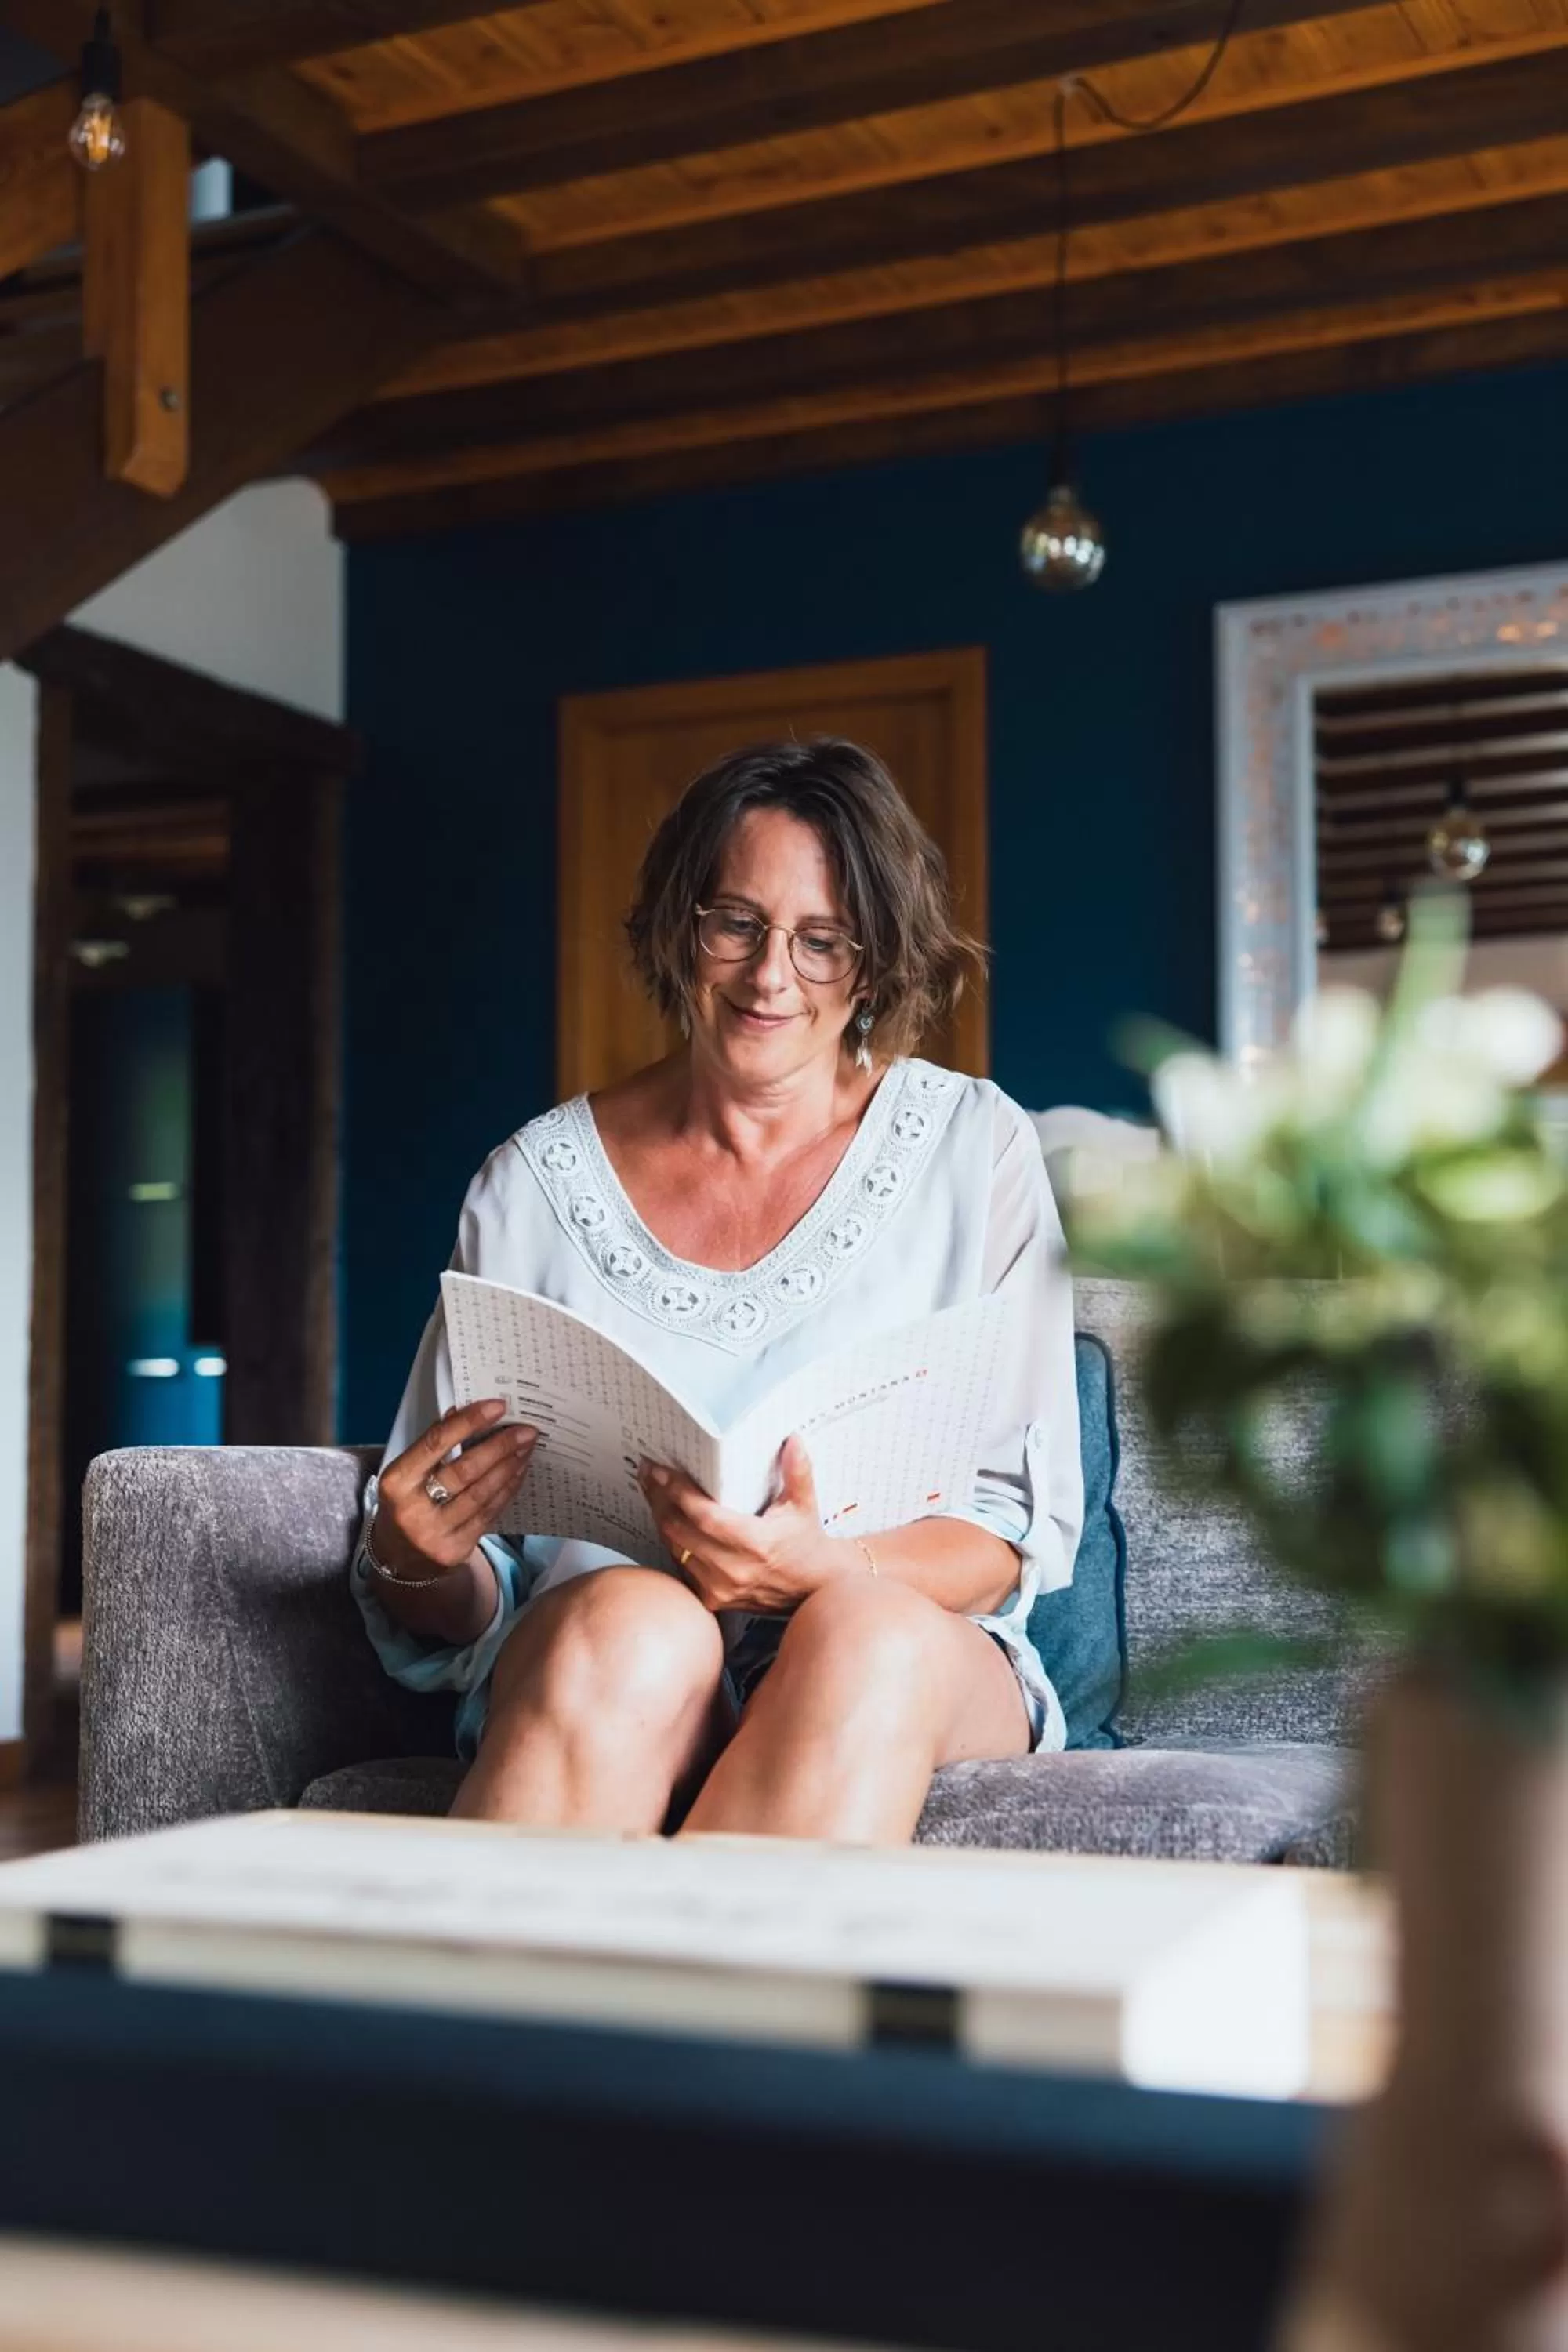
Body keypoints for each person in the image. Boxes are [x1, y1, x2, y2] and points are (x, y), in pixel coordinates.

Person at [353, 739, 1081, 1846]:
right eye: (735, 923)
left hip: (907, 1636)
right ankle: (490, 2016)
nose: (770, 975)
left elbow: (1013, 1535)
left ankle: (706, 2018)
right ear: (679, 928)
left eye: (822, 940)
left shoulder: (976, 1150)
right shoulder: (529, 1188)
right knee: (630, 1623)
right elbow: (471, 1591)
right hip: (614, 1649)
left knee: (860, 1634)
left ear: (876, 962)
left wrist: (831, 1566)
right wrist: (414, 1559)